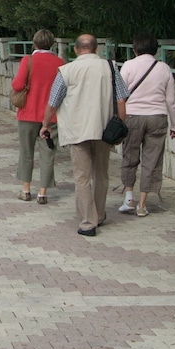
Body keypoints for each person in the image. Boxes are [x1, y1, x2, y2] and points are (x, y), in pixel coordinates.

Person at [40, 34, 129, 236]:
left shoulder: (66, 71)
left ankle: (88, 222)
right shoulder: (111, 67)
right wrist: (121, 126)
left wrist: (45, 125)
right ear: (96, 49)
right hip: (104, 130)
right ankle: (100, 215)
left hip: (77, 130)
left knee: (82, 178)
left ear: (75, 49)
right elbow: (121, 99)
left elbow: (53, 102)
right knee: (101, 175)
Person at [118, 33, 175, 217]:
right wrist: (174, 125)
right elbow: (171, 101)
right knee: (152, 160)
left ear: (135, 49)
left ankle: (129, 197)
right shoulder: (164, 68)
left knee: (130, 156)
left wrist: (119, 119)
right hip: (157, 117)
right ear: (155, 49)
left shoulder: (128, 66)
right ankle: (143, 204)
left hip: (132, 116)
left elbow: (120, 95)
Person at [11, 29, 65, 204]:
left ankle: (26, 190)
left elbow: (18, 85)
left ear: (34, 43)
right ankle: (43, 192)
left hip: (27, 113)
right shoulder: (59, 63)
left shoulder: (28, 60)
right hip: (51, 117)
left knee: (26, 152)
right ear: (52, 44)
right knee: (48, 154)